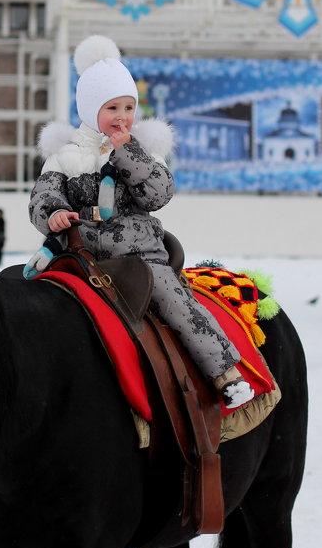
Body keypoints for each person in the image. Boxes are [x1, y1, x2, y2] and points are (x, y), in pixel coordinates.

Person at [25, 34, 254, 410]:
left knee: (175, 301)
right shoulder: (65, 155)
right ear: (88, 109)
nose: (121, 117)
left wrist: (126, 152)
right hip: (79, 255)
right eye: (111, 107)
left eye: (128, 107)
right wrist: (53, 215)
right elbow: (42, 196)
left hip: (139, 256)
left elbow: (157, 195)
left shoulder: (144, 150)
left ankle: (224, 372)